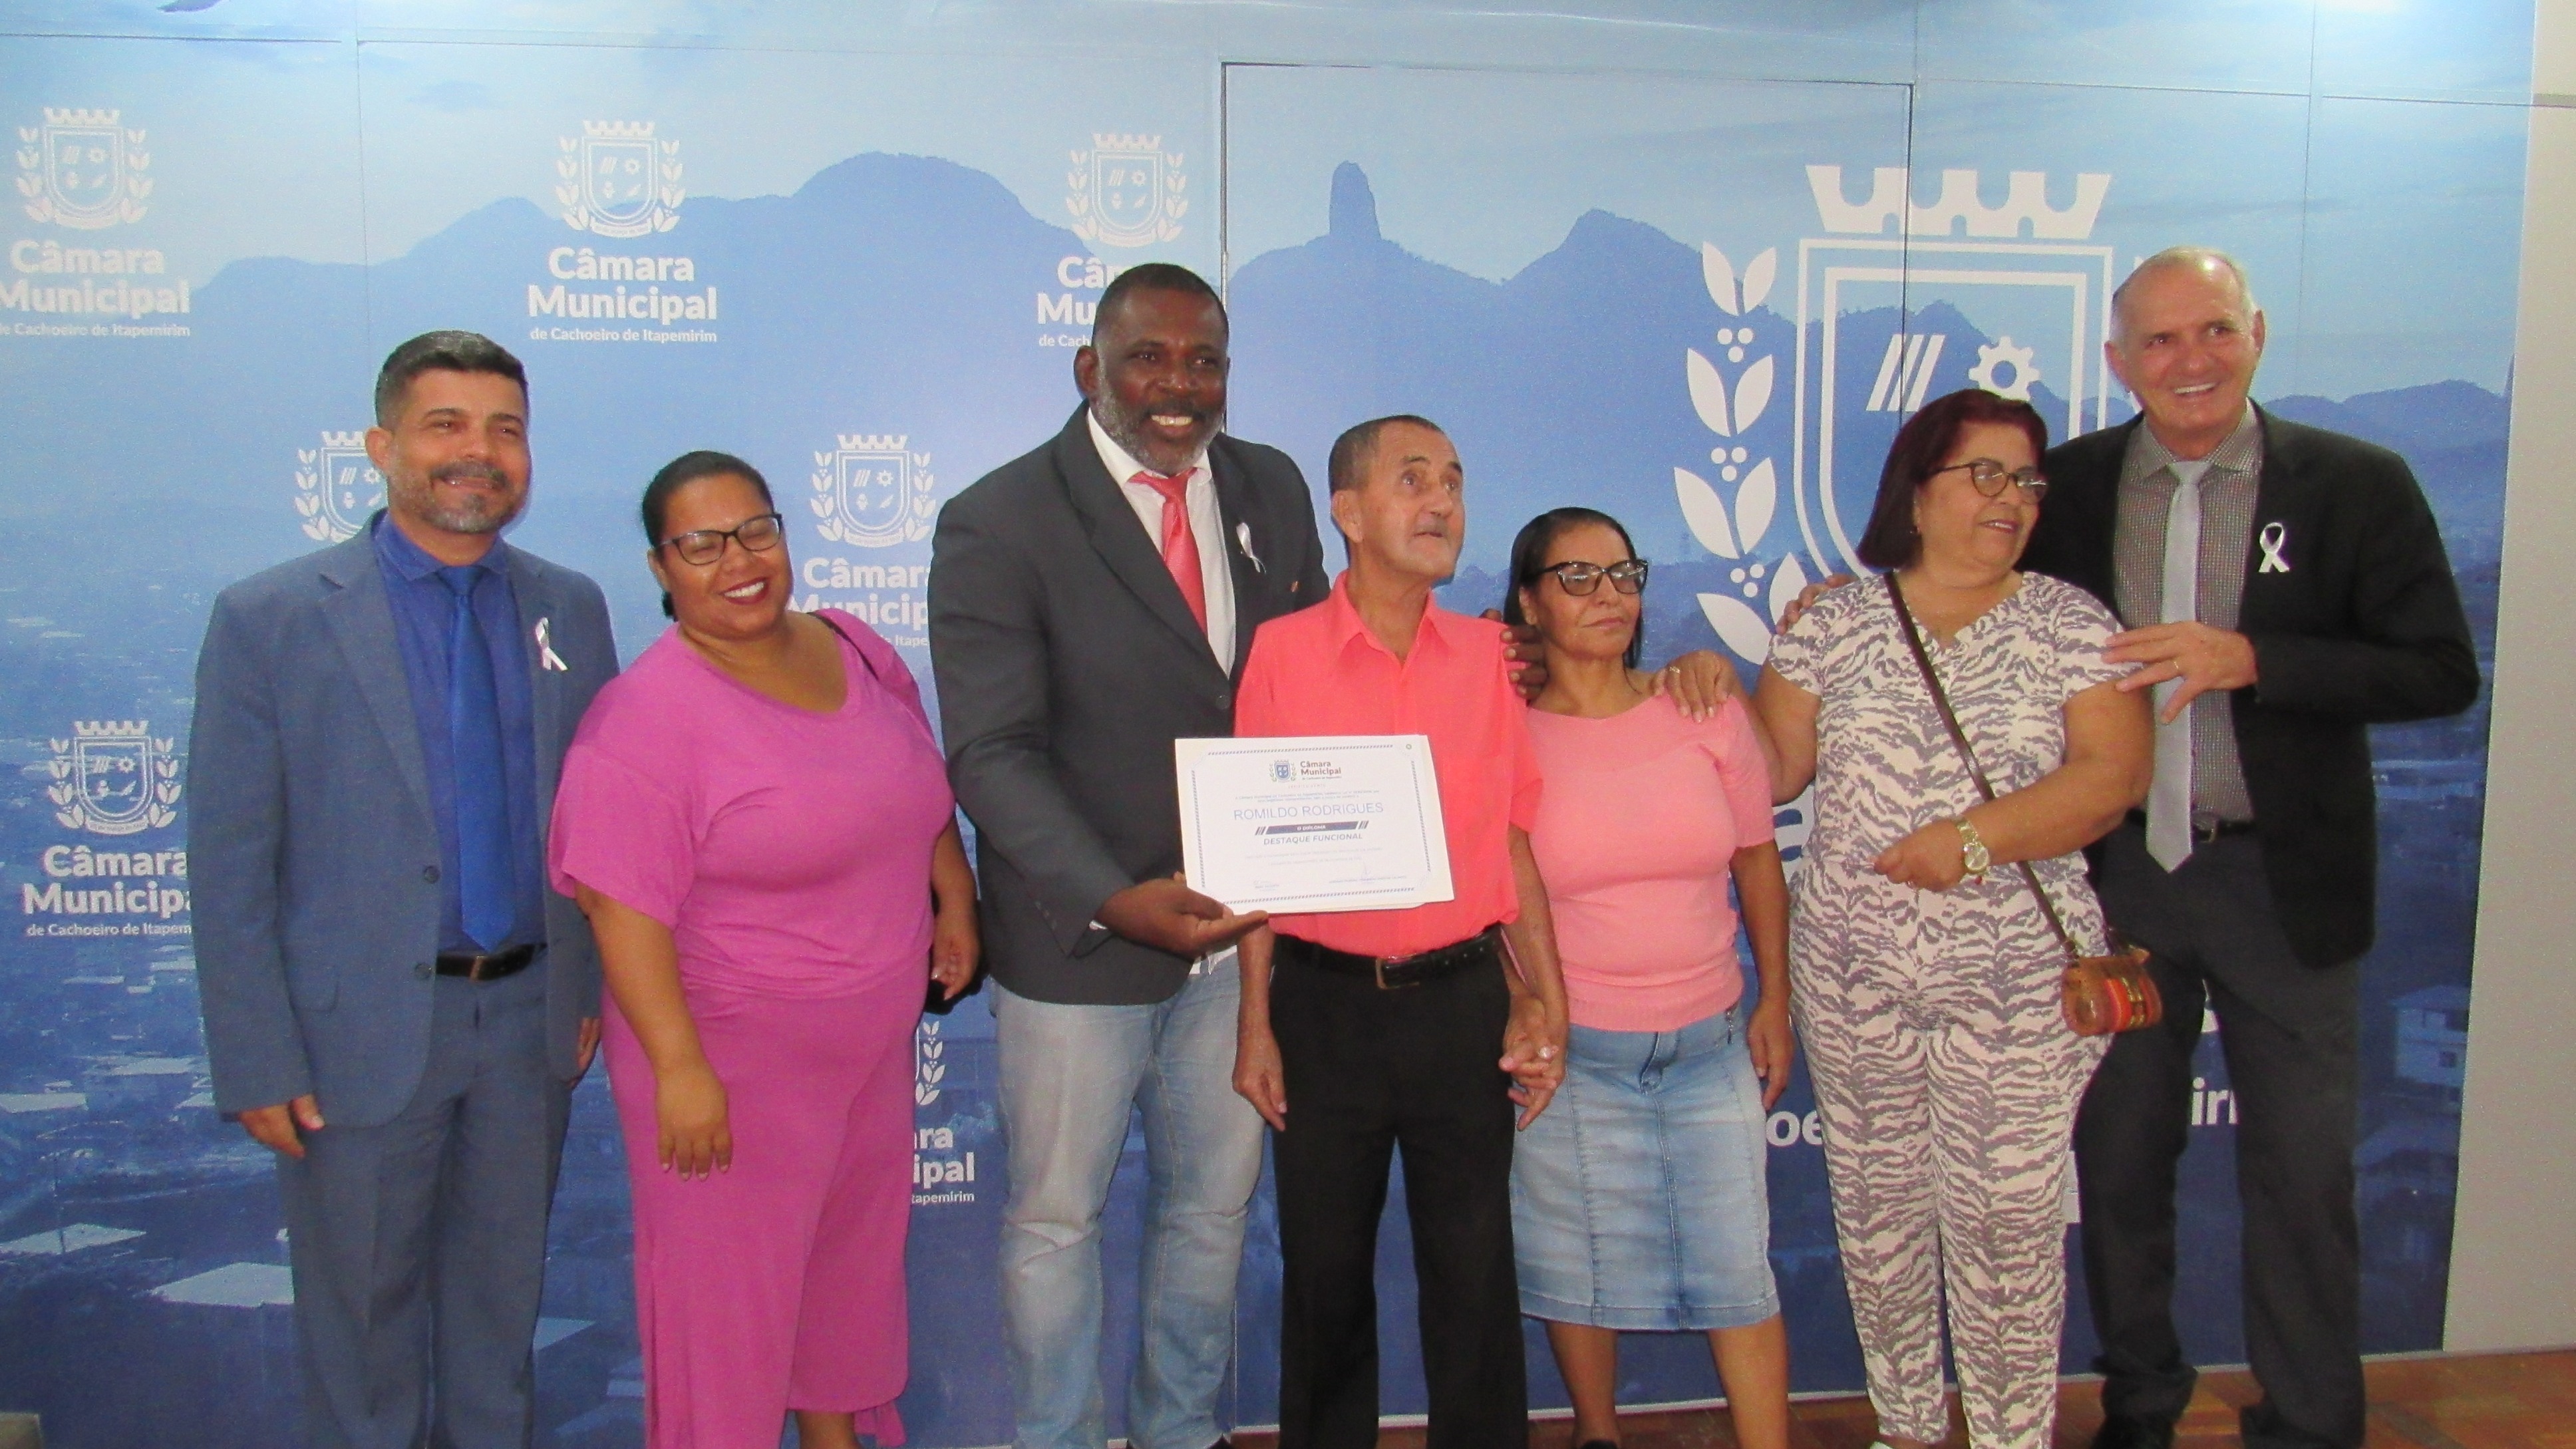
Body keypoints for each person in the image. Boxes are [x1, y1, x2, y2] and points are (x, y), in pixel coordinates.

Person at [2024, 249, 2480, 1449]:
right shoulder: (2066, 489)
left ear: (2258, 334)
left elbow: (2441, 669)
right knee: (2120, 1162)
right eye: (2162, 340)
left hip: (2284, 883)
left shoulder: (2356, 482)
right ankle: (2140, 1405)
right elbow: (1957, 599)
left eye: (2215, 330)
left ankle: (2315, 1420)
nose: (2193, 360)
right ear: (2118, 360)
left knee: (2304, 1172)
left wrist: (2257, 659)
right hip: (2115, 883)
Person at [190, 331, 618, 1449]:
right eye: (446, 426)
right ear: (382, 447)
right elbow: (229, 861)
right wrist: (257, 1055)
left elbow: (599, 823)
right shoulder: (271, 617)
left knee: (500, 1333)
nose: (480, 452)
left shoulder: (572, 608)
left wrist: (586, 986)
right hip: (355, 1040)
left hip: (527, 1025)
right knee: (364, 1351)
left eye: (506, 429)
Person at [548, 451, 977, 1448]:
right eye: (701, 544)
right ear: (661, 567)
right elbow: (620, 911)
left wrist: (955, 898)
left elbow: (915, 786)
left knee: (847, 1272)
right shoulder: (642, 722)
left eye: (755, 531)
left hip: (867, 1050)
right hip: (729, 1069)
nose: (737, 560)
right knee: (726, 1317)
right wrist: (681, 1069)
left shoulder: (854, 647)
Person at [1754, 388, 2154, 1449]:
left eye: (2026, 480)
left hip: (2016, 985)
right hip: (1854, 980)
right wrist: (1687, 689)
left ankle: (2012, 1437)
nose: (2011, 497)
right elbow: (1770, 772)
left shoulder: (2074, 624)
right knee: (1878, 1218)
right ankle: (1907, 1427)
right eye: (1984, 474)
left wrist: (1969, 841)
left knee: (2006, 1229)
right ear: (1918, 492)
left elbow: (2112, 779)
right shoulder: (1833, 622)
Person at [1230, 414, 1573, 1449]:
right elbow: (1255, 855)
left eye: (1455, 483)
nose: (1442, 502)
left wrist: (1546, 997)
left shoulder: (1486, 659)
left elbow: (1511, 843)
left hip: (1460, 1004)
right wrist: (1256, 1021)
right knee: (1324, 1276)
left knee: (1474, 1275)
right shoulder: (1282, 654)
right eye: (1413, 479)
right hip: (1323, 1006)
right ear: (1347, 510)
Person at [1500, 506, 1794, 1449]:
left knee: (1739, 1273)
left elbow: (1758, 858)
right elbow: (1498, 893)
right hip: (1573, 1058)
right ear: (1530, 603)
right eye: (1578, 577)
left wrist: (1777, 998)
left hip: (1709, 1043)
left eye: (1624, 574)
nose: (1609, 595)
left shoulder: (1703, 708)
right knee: (1575, 1269)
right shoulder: (1504, 737)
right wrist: (1524, 1007)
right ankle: (1598, 1433)